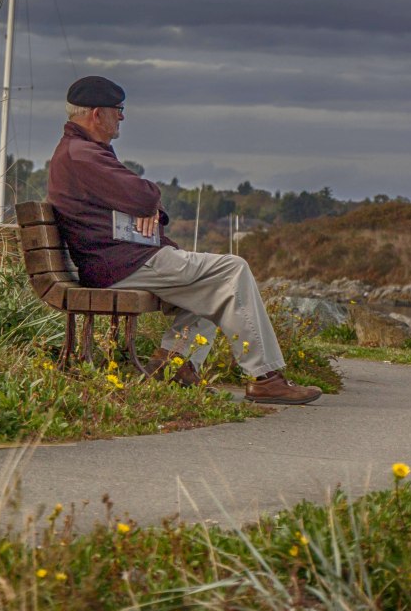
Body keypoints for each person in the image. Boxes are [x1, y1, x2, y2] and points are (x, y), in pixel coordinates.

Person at [47, 75, 321, 405]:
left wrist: (149, 205)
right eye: (118, 109)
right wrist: (148, 200)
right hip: (120, 263)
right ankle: (266, 377)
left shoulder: (83, 152)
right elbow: (141, 192)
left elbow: (141, 199)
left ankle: (174, 366)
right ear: (96, 114)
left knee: (210, 285)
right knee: (231, 271)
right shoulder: (84, 155)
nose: (122, 116)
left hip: (118, 260)